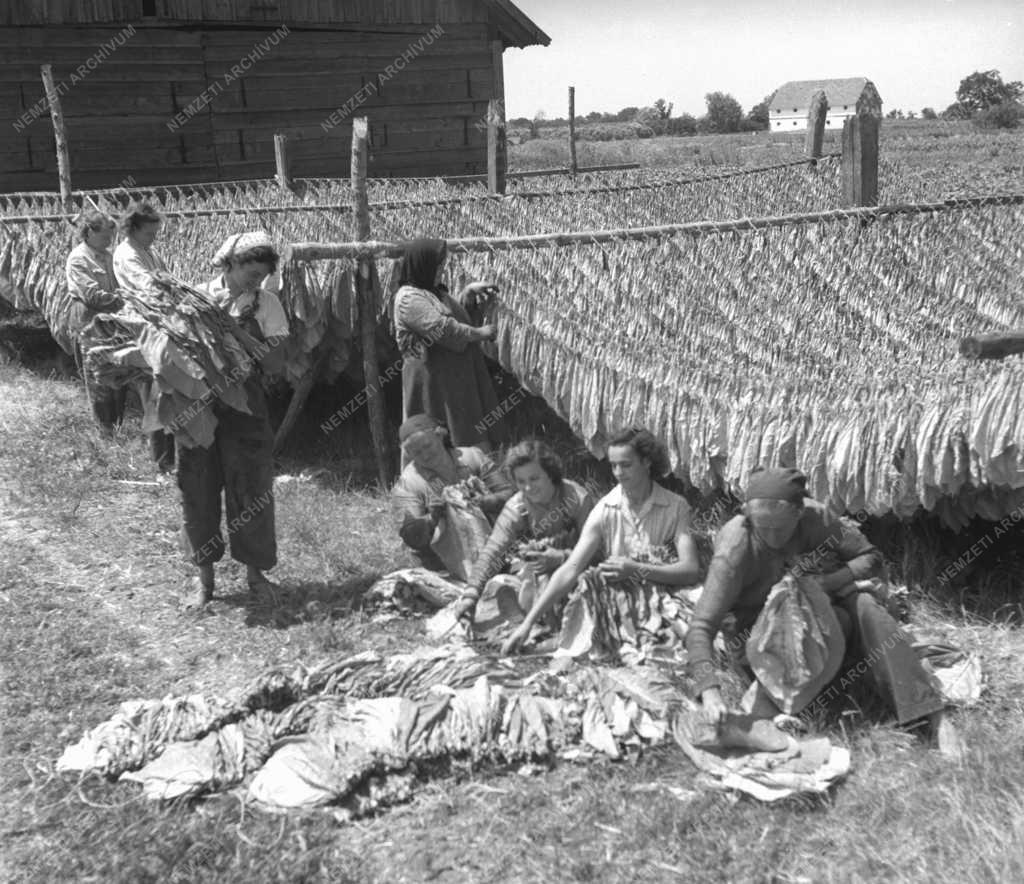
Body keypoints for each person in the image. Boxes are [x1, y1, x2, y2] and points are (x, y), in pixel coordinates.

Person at [686, 466, 963, 757]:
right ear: (745, 514)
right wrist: (710, 690)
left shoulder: (817, 519)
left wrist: (826, 583)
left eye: (779, 528)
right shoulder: (733, 552)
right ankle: (838, 679)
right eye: (761, 527)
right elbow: (701, 626)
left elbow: (869, 556)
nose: (771, 536)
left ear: (799, 512)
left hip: (820, 610)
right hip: (760, 636)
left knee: (868, 610)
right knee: (837, 625)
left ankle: (932, 714)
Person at [501, 427, 701, 657]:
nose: (618, 472)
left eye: (626, 465)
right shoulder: (605, 509)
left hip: (666, 592)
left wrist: (638, 570)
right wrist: (527, 623)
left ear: (646, 462)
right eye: (613, 465)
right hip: (621, 596)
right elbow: (570, 568)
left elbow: (690, 569)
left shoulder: (676, 507)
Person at [177, 231, 289, 608]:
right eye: (250, 273)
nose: (256, 281)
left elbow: (275, 363)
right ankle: (204, 581)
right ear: (232, 264)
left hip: (247, 409)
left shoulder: (267, 305)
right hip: (201, 405)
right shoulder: (197, 298)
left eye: (262, 275)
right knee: (198, 488)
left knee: (252, 489)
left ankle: (256, 576)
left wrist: (237, 330)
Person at [452, 440, 595, 624]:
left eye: (534, 479)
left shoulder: (576, 498)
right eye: (521, 481)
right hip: (535, 577)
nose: (528, 488)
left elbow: (599, 548)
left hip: (578, 570)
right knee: (498, 587)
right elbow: (493, 551)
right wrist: (470, 595)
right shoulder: (517, 506)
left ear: (550, 474)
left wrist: (561, 557)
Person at [393, 237, 507, 451]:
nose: (440, 271)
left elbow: (454, 316)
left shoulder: (434, 292)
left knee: (466, 431)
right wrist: (480, 333)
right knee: (438, 436)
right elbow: (443, 329)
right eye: (437, 267)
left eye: (442, 266)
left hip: (455, 381)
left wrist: (468, 294)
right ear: (422, 265)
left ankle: (474, 477)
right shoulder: (408, 299)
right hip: (433, 384)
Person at [391, 414, 514, 572]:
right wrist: (431, 518)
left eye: (428, 446)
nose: (425, 455)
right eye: (416, 453)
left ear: (440, 435)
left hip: (498, 545)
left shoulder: (472, 456)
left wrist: (485, 502)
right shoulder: (408, 484)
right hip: (442, 565)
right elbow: (410, 537)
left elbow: (511, 494)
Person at [112, 201, 175, 472]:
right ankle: (162, 462)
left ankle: (171, 458)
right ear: (133, 229)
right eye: (149, 232)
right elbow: (149, 286)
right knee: (153, 390)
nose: (154, 237)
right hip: (142, 326)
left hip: (159, 323)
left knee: (167, 388)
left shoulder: (148, 250)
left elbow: (165, 279)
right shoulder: (127, 254)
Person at [65, 210, 127, 432]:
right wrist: (124, 299)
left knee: (118, 370)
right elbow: (92, 295)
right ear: (89, 232)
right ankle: (104, 429)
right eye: (105, 237)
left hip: (112, 320)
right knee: (97, 375)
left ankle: (117, 424)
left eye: (111, 237)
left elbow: (121, 284)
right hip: (89, 319)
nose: (109, 241)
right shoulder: (78, 258)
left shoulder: (109, 256)